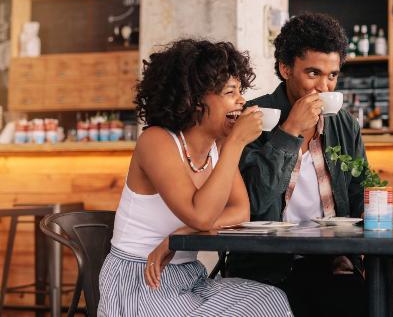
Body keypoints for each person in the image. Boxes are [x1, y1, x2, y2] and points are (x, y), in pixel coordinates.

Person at [98, 39, 292, 316]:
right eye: (230, 91)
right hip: (141, 278)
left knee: (268, 299)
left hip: (188, 276)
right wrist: (236, 142)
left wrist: (182, 235)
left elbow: (241, 211)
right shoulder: (156, 141)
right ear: (195, 100)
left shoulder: (216, 147)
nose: (241, 100)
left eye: (240, 91)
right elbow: (200, 215)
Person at [226, 13, 367, 317]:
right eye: (313, 73)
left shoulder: (345, 125)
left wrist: (371, 210)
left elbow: (358, 191)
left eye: (332, 75)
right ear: (285, 68)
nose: (325, 87)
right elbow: (253, 203)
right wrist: (290, 132)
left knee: (361, 299)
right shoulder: (253, 118)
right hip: (269, 267)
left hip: (333, 263)